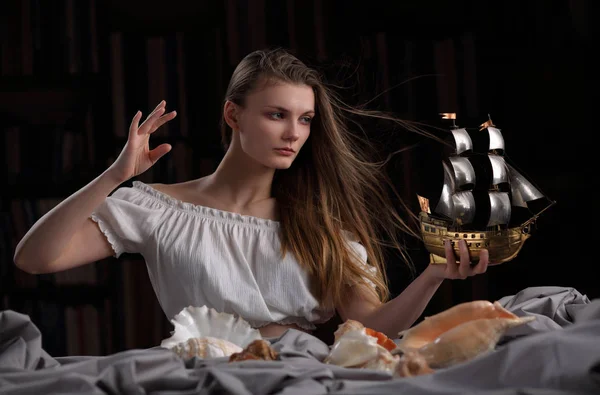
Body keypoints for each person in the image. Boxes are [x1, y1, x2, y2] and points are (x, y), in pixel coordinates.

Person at [14, 48, 489, 340]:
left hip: (299, 378)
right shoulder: (159, 208)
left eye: (305, 119)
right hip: (199, 377)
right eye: (276, 114)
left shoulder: (319, 225)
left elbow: (372, 327)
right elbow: (35, 258)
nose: (294, 133)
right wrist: (113, 177)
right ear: (233, 115)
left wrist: (434, 275)